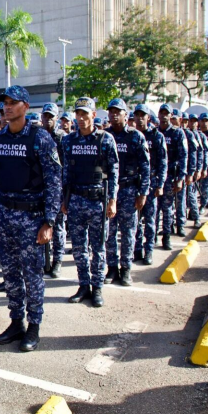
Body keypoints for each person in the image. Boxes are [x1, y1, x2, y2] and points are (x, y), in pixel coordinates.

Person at [0, 86, 60, 352]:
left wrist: (49, 222)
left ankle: (34, 325)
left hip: (32, 217)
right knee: (10, 273)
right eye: (5, 102)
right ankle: (16, 322)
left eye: (14, 102)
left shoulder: (41, 139)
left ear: (26, 107)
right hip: (4, 215)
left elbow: (54, 181)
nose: (7, 106)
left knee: (33, 275)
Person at [62, 97, 118, 307]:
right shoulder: (69, 141)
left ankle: (97, 288)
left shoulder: (105, 139)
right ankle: (83, 285)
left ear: (94, 115)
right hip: (76, 200)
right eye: (78, 113)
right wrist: (64, 199)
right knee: (78, 247)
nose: (81, 118)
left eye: (86, 114)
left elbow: (113, 172)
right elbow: (66, 172)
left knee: (98, 247)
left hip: (98, 201)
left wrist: (112, 200)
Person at [103, 99, 149, 286]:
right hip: (109, 191)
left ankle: (126, 269)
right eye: (111, 111)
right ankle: (112, 268)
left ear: (125, 115)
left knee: (129, 231)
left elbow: (145, 166)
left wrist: (143, 192)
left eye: (118, 111)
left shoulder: (136, 137)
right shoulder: (104, 136)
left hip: (129, 189)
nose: (114, 114)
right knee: (109, 232)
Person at [133, 105, 167, 266]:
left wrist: (160, 184)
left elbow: (162, 162)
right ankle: (137, 250)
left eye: (143, 115)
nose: (140, 118)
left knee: (150, 219)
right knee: (135, 221)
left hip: (150, 184)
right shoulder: (132, 135)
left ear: (148, 118)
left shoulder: (156, 136)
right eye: (137, 115)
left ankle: (149, 251)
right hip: (133, 184)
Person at [40, 103, 67, 277]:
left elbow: (66, 168)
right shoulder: (39, 137)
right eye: (46, 116)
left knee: (57, 227)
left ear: (56, 118)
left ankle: (57, 260)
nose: (48, 119)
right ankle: (45, 261)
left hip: (58, 189)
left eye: (51, 116)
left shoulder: (63, 138)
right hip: (40, 189)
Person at [156, 104, 187, 250]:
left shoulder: (177, 133)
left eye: (166, 113)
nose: (163, 116)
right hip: (155, 176)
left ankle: (167, 236)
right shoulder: (154, 132)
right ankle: (153, 235)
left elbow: (183, 156)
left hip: (170, 176)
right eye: (161, 113)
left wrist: (181, 178)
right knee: (153, 209)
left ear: (170, 115)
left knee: (167, 208)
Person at [172, 110, 197, 234]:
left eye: (175, 119)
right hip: (169, 173)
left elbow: (191, 154)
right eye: (172, 118)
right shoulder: (167, 133)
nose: (173, 121)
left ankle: (181, 224)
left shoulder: (187, 134)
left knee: (181, 200)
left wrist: (191, 172)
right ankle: (170, 225)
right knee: (168, 203)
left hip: (181, 172)